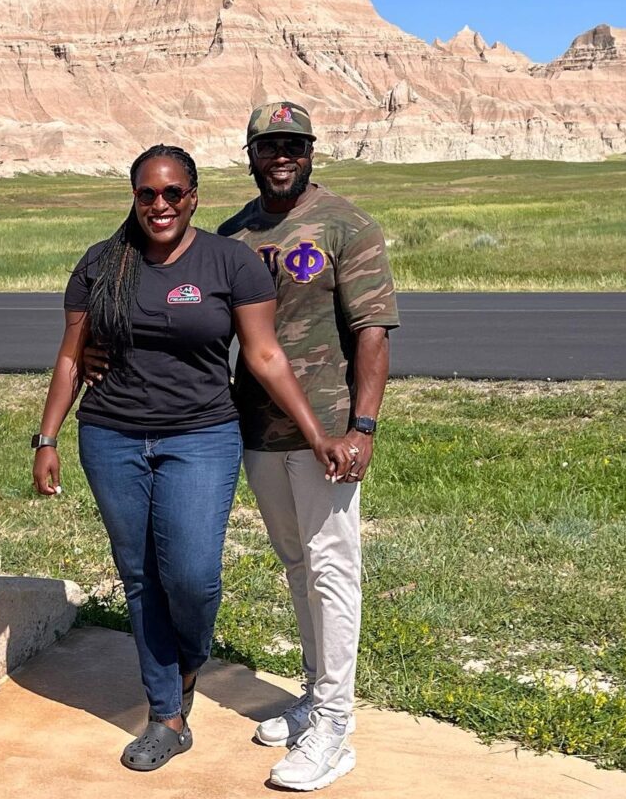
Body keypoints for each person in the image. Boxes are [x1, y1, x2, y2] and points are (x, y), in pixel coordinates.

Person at [31, 143, 356, 773]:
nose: (160, 205)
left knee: (193, 576)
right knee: (140, 575)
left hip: (201, 437)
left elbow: (264, 355)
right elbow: (73, 355)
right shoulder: (102, 263)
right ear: (133, 197)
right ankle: (167, 713)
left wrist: (317, 432)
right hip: (112, 437)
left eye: (172, 193)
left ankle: (187, 662)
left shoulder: (229, 261)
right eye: (147, 194)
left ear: (193, 196)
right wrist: (47, 438)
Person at [218, 101, 399, 791]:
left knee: (332, 569)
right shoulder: (235, 233)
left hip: (326, 432)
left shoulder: (345, 224)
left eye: (293, 144)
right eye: (269, 145)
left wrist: (363, 426)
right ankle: (312, 699)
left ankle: (335, 728)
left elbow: (374, 333)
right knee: (297, 565)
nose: (282, 155)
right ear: (252, 155)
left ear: (312, 151)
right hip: (259, 431)